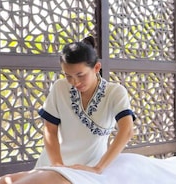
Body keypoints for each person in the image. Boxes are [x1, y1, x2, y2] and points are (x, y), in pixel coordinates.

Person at [37, 35, 135, 173]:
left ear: (96, 67)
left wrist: (98, 168)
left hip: (89, 169)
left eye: (81, 75)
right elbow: (49, 130)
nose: (75, 82)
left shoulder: (115, 92)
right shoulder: (60, 87)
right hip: (53, 164)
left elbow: (127, 131)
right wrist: (58, 165)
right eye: (68, 76)